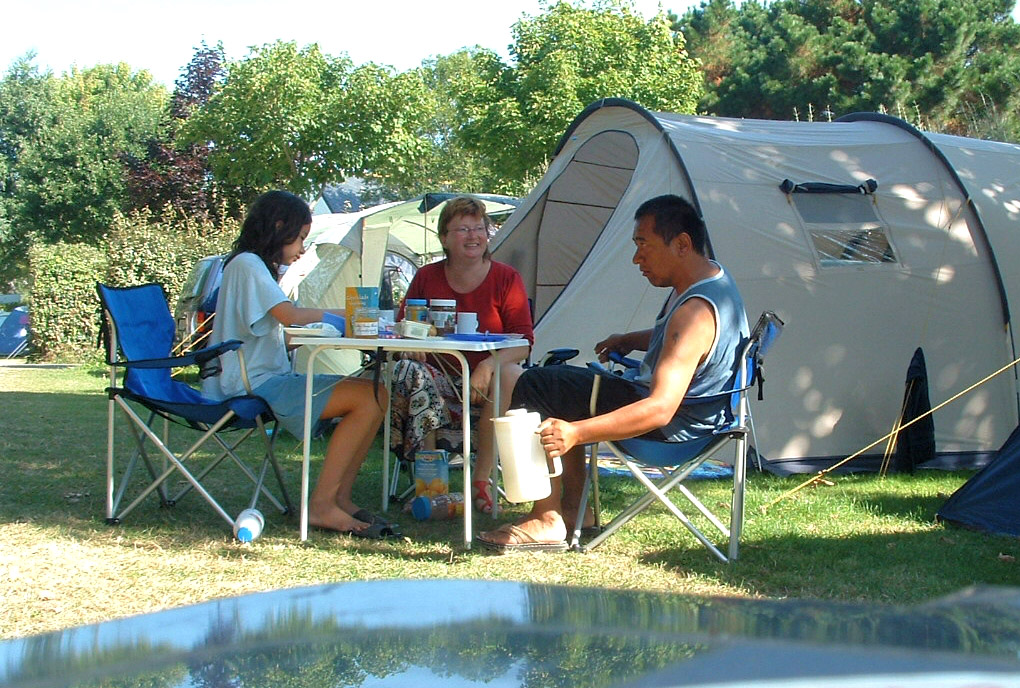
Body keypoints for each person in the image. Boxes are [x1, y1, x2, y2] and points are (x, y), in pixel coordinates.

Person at [477, 194, 748, 553]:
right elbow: (686, 344)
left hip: (671, 429)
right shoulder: (711, 280)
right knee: (559, 383)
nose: (637, 258)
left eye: (643, 245)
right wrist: (631, 340)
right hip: (700, 415)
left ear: (682, 244)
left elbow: (659, 409)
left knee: (538, 383)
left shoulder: (694, 312)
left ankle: (547, 517)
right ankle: (575, 510)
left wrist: (575, 432)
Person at [202, 190, 397, 539]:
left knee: (377, 393)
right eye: (301, 239)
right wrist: (351, 314)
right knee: (368, 398)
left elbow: (272, 330)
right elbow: (289, 315)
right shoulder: (247, 264)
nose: (302, 249)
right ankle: (322, 505)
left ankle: (339, 497)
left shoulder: (249, 266)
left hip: (262, 376)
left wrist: (325, 329)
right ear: (280, 226)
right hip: (252, 384)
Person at [391, 196, 534, 513]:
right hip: (439, 378)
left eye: (480, 228)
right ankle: (430, 484)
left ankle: (480, 482)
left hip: (489, 382)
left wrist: (488, 363)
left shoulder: (506, 278)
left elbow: (524, 343)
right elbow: (403, 329)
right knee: (412, 374)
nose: (474, 236)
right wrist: (409, 346)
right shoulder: (427, 277)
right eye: (463, 229)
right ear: (444, 237)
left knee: (509, 373)